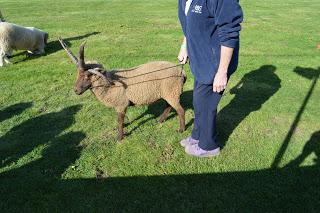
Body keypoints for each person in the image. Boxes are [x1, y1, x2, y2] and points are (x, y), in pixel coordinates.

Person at [178, 0, 243, 157]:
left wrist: (222, 72)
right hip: (200, 57)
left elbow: (229, 32)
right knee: (198, 100)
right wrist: (184, 46)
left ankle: (209, 146)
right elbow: (188, 23)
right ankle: (197, 136)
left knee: (206, 103)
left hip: (216, 61)